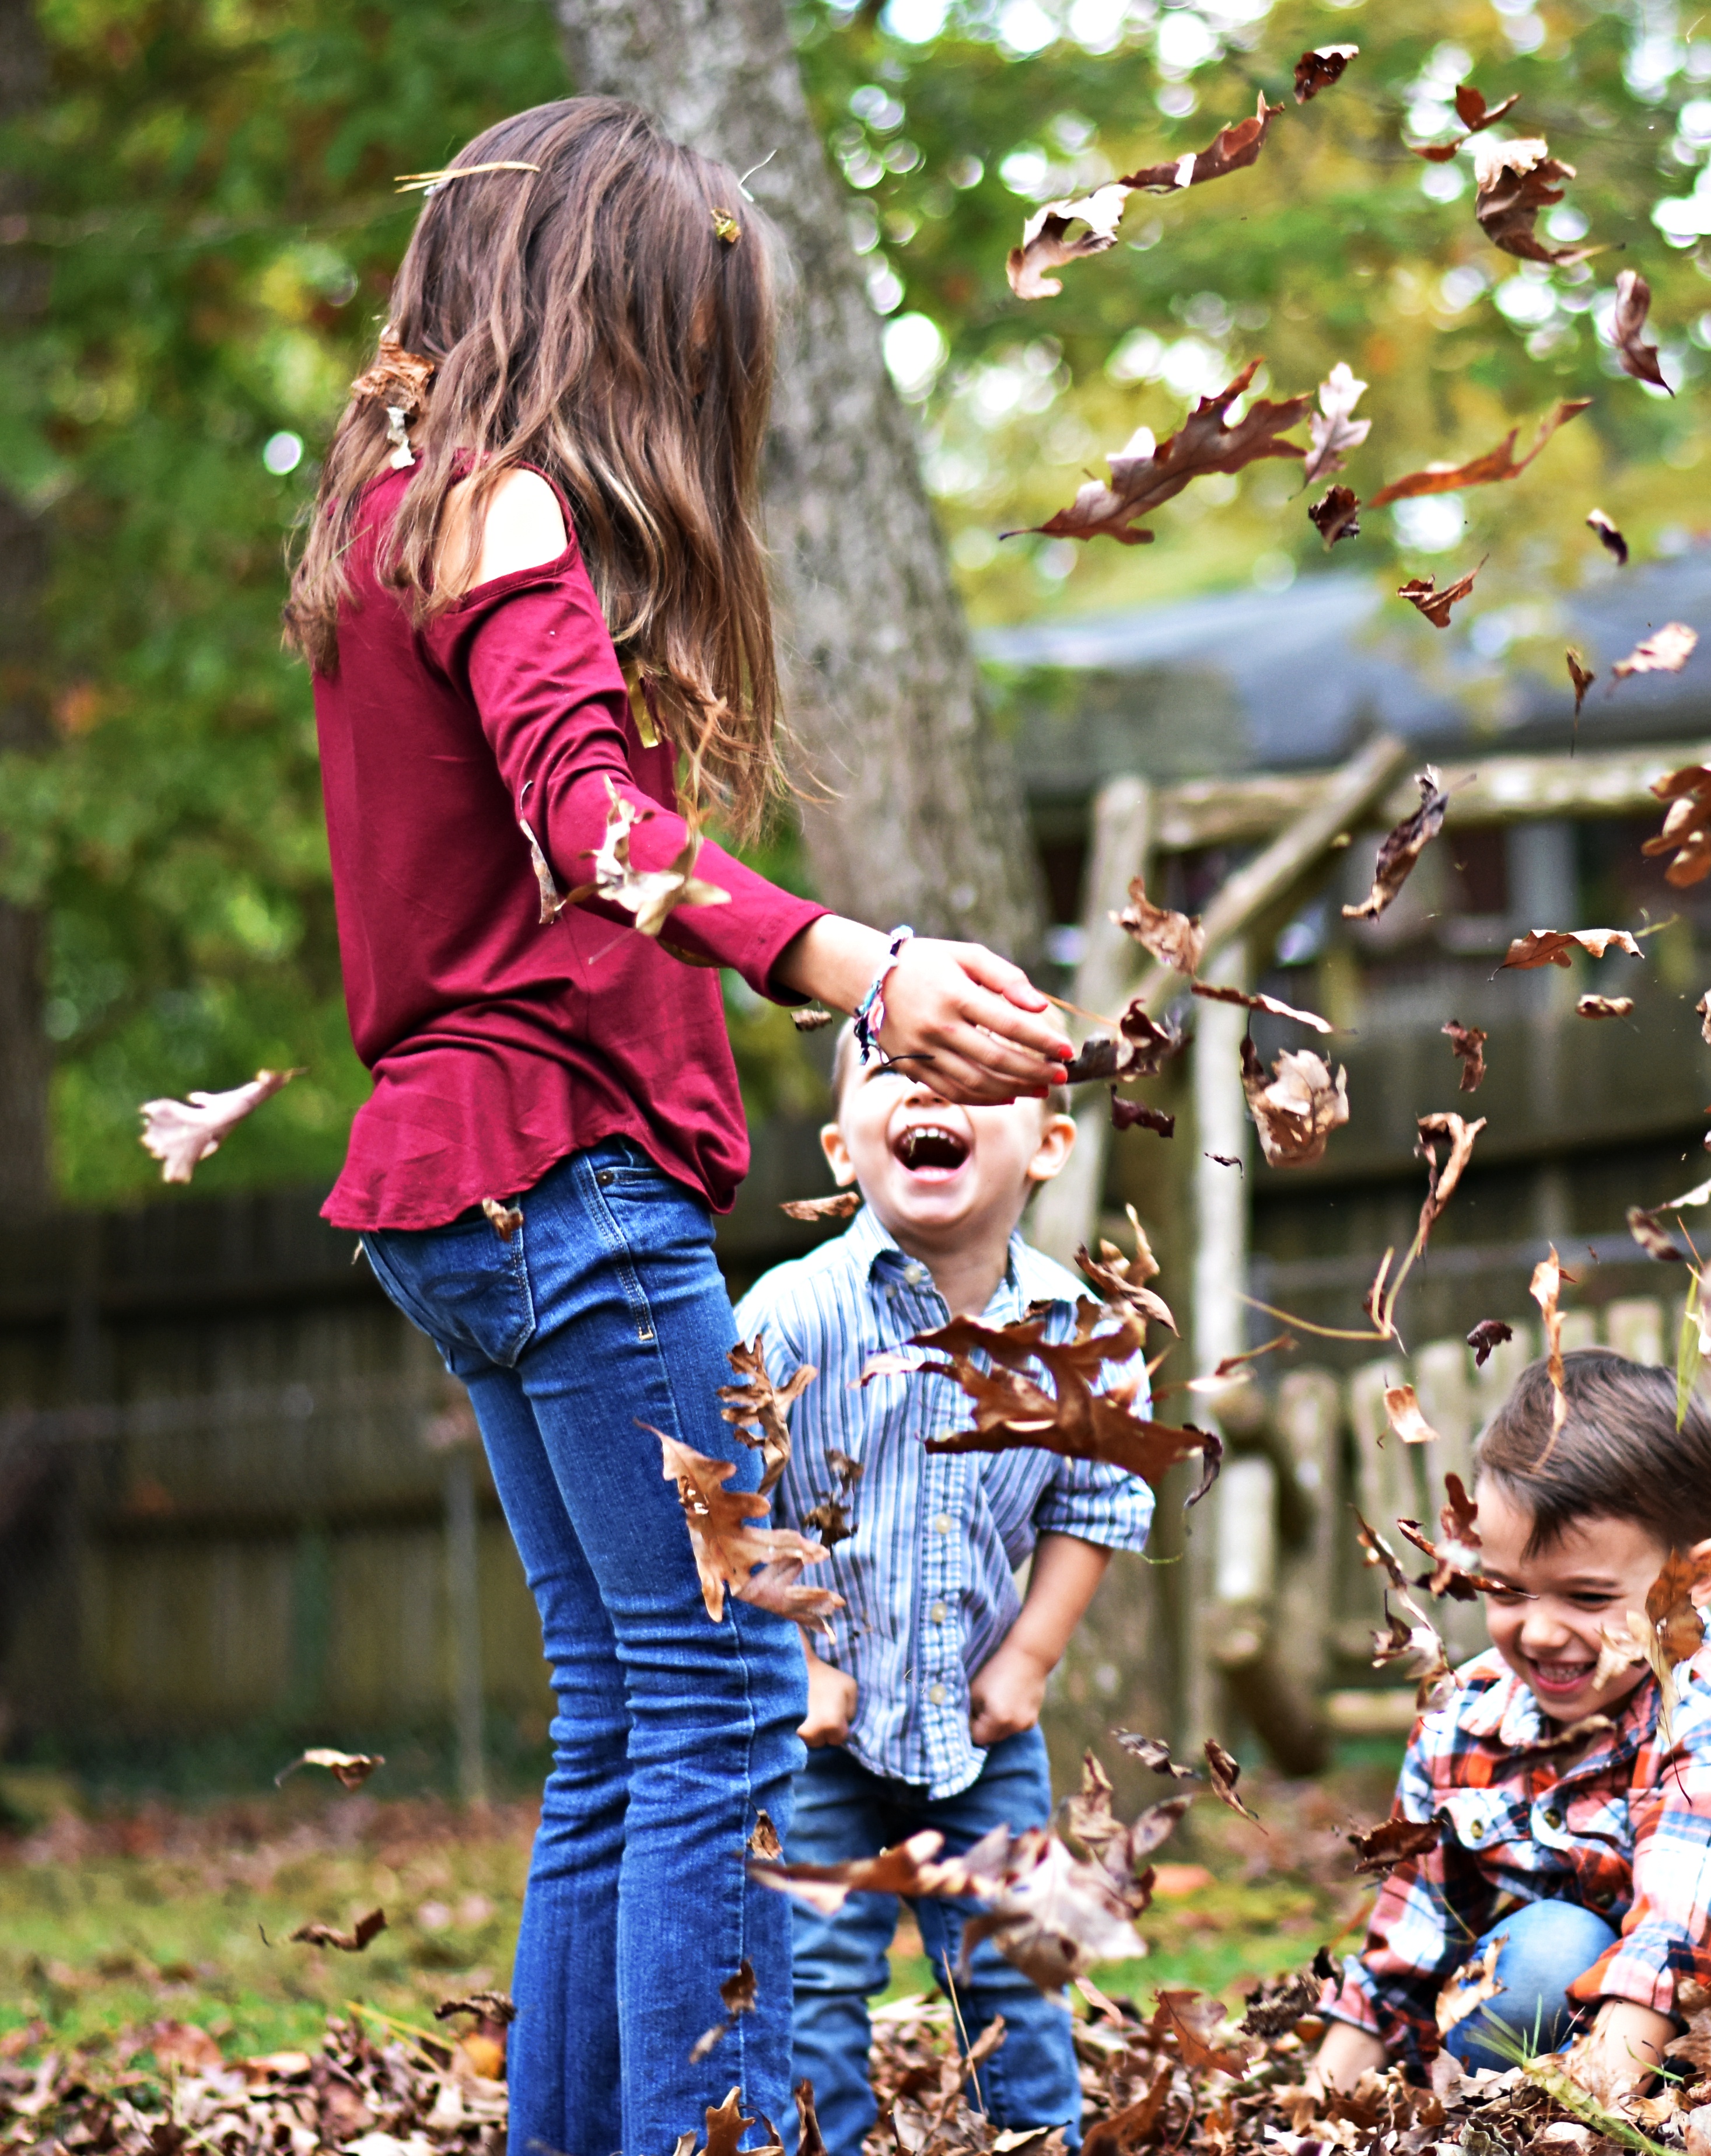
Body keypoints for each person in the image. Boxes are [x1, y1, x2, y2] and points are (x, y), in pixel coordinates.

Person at [282, 97, 1078, 2156]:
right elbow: (592, 825)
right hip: (561, 1170)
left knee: (630, 1715)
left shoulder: (385, 507)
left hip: (457, 1186)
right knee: (721, 1700)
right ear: (602, 315)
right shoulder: (516, 506)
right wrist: (860, 963)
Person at [742, 1040, 1153, 2156]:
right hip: (814, 1733)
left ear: (1051, 1146)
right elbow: (727, 1505)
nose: (930, 1094)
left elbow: (1102, 1504)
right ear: (842, 1151)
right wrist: (800, 1661)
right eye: (894, 1073)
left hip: (979, 1728)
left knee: (1019, 1970)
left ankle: (1039, 2139)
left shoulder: (1084, 1338)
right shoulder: (791, 1315)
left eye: (975, 1082)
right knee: (815, 1979)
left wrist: (1028, 1661)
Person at [1313, 1351, 1711, 2097]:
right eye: (1506, 1588)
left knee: (1551, 1949)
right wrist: (1312, 2112)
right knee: (1532, 1957)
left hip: (1701, 2070)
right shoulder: (1464, 1712)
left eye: (1587, 1596)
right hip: (1540, 2050)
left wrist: (1576, 2127)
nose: (1539, 1632)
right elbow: (1406, 1952)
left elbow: (1669, 1950)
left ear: (1697, 1575)